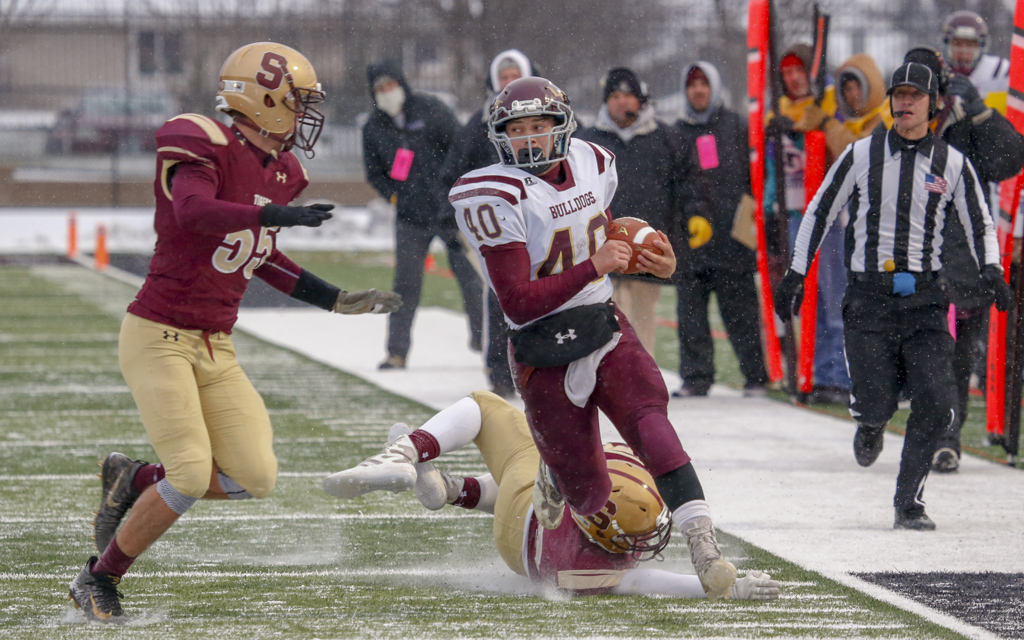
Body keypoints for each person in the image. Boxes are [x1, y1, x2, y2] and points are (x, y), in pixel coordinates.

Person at [66, 42, 402, 623]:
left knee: (255, 476)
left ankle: (135, 477)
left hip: (215, 343)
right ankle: (99, 577)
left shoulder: (283, 170)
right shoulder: (203, 143)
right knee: (194, 472)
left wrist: (335, 299)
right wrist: (269, 215)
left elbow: (255, 254)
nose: (303, 115)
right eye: (298, 102)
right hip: (159, 334)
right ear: (265, 98)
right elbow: (196, 214)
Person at [446, 76, 738, 599]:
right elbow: (517, 300)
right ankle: (552, 476)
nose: (530, 139)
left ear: (561, 128)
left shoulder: (593, 162)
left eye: (540, 126)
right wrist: (592, 266)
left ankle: (703, 541)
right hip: (542, 348)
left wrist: (654, 263)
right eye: (518, 129)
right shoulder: (497, 195)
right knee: (591, 492)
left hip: (601, 323)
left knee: (649, 419)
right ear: (500, 136)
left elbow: (602, 231)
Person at [773, 62, 1012, 530]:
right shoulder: (862, 154)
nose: (904, 103)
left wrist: (993, 270)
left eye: (914, 96)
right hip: (869, 301)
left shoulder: (951, 163)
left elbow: (980, 219)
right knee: (876, 400)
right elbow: (821, 206)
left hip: (925, 299)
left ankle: (909, 502)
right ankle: (870, 421)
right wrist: (796, 273)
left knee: (938, 402)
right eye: (899, 94)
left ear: (934, 104)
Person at [323, 391, 781, 601]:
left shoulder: (578, 494)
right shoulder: (609, 563)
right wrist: (728, 588)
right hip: (526, 558)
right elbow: (647, 581)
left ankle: (405, 452)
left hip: (528, 511)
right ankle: (450, 489)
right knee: (526, 473)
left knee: (486, 408)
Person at [902, 46, 1024, 470]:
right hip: (911, 261)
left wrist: (979, 112)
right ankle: (905, 420)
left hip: (962, 262)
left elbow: (1009, 160)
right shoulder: (899, 127)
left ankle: (946, 438)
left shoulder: (965, 125)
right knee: (916, 354)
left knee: (953, 357)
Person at [363, 60, 484, 370]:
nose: (387, 92)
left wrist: (455, 191)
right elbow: (374, 171)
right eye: (379, 89)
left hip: (448, 211)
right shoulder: (373, 127)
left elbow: (459, 148)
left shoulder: (431, 109)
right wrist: (394, 194)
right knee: (404, 284)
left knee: (470, 275)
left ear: (402, 83)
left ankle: (483, 340)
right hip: (409, 217)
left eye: (390, 85)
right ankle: (397, 352)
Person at [575, 67, 691, 357]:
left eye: (628, 95)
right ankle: (606, 382)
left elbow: (686, 188)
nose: (621, 102)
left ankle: (641, 386)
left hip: (645, 249)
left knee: (640, 324)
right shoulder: (587, 141)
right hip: (602, 248)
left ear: (641, 99)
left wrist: (683, 227)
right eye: (614, 95)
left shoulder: (666, 138)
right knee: (605, 323)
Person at [439, 48, 536, 397]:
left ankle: (542, 368)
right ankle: (499, 370)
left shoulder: (550, 116)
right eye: (504, 77)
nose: (509, 82)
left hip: (543, 220)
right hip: (497, 227)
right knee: (500, 298)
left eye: (515, 75)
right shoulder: (479, 124)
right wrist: (447, 219)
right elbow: (452, 172)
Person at [672, 62, 769, 397]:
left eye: (703, 84)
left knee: (741, 314)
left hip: (732, 242)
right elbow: (676, 186)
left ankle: (756, 376)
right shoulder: (678, 133)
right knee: (691, 317)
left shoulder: (736, 126)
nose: (698, 90)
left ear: (714, 87)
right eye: (691, 84)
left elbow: (753, 178)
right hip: (692, 244)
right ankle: (696, 378)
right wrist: (689, 216)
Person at [764, 43, 853, 404]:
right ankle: (812, 373)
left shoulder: (829, 106)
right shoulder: (779, 111)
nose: (794, 78)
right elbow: (774, 169)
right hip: (794, 215)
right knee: (805, 298)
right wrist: (771, 208)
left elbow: (841, 151)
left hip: (828, 217)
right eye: (786, 73)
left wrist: (805, 129)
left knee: (832, 296)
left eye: (799, 70)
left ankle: (838, 376)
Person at [942, 10, 1009, 113]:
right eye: (957, 43)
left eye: (969, 44)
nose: (963, 51)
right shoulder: (939, 71)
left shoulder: (1000, 71)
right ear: (947, 44)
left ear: (981, 46)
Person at [832, 54, 894, 148]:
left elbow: (858, 150)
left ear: (872, 87)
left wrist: (827, 124)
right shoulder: (847, 123)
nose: (854, 94)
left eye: (859, 87)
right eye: (848, 89)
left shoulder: (885, 118)